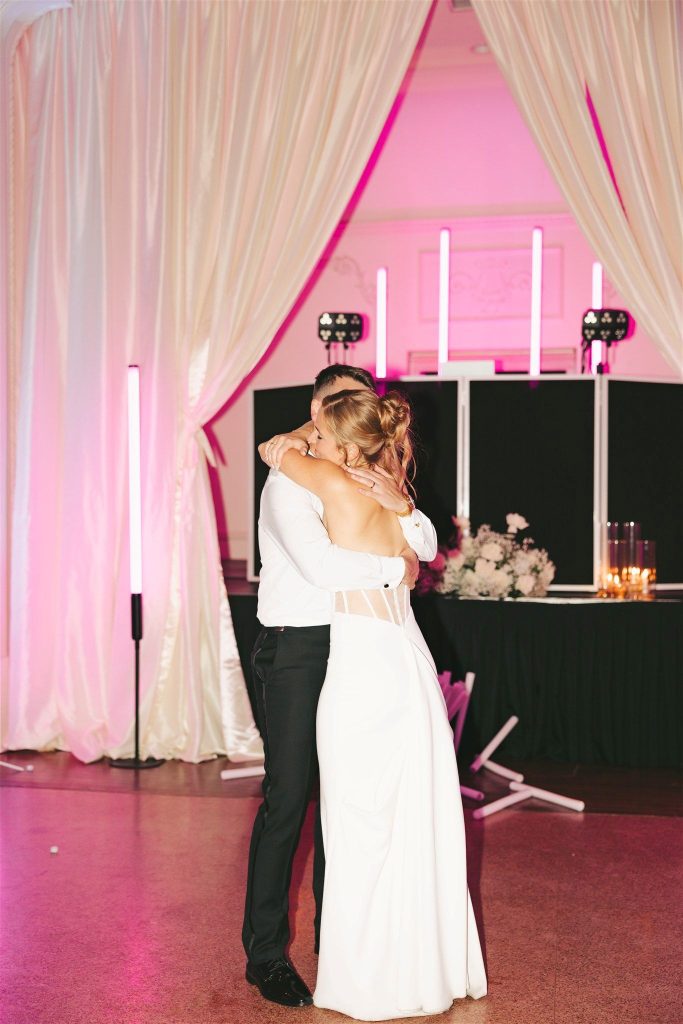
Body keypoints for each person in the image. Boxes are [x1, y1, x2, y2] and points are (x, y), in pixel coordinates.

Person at [268, 386, 487, 1020]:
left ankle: (367, 979)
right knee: (413, 812)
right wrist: (404, 535)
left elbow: (275, 454)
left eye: (322, 433)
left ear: (343, 447)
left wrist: (289, 445)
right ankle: (426, 967)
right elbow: (425, 548)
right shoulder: (394, 490)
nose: (312, 439)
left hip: (363, 663)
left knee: (357, 817)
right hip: (408, 659)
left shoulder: (331, 480)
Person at [243, 365, 438, 1009]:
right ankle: (265, 955)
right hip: (297, 649)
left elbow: (426, 541)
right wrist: (396, 570)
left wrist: (401, 505)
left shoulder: (359, 472)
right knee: (289, 798)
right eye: (333, 404)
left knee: (347, 801)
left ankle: (340, 944)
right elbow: (323, 566)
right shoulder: (288, 478)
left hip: (356, 645)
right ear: (316, 410)